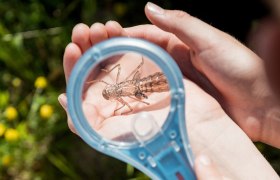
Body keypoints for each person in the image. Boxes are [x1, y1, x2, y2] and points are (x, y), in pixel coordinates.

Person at [59, 2, 280, 179]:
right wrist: (263, 100)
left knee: (142, 84)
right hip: (139, 89)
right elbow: (126, 97)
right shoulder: (116, 93)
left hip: (140, 85)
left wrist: (263, 100)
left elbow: (122, 88)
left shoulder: (115, 88)